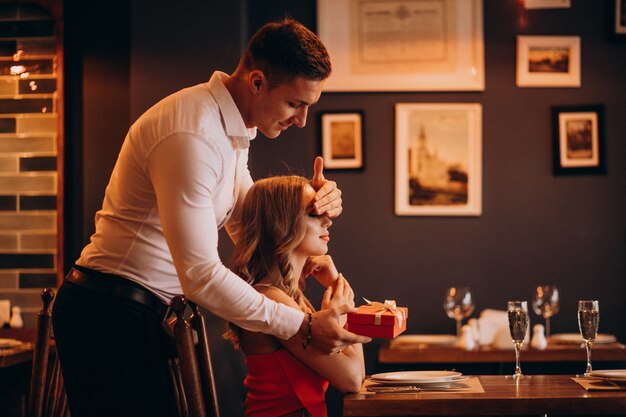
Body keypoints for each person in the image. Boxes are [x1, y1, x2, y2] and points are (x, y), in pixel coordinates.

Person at [52, 18, 370, 417]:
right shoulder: (193, 134)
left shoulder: (232, 132)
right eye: (295, 104)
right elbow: (200, 275)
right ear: (257, 82)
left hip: (143, 311)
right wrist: (300, 326)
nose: (301, 120)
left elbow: (250, 222)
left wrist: (311, 207)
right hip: (109, 311)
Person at [224, 175, 365, 417]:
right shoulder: (272, 301)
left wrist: (335, 287)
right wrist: (341, 300)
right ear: (281, 225)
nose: (327, 221)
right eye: (312, 213)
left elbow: (356, 373)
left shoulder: (293, 297)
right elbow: (351, 378)